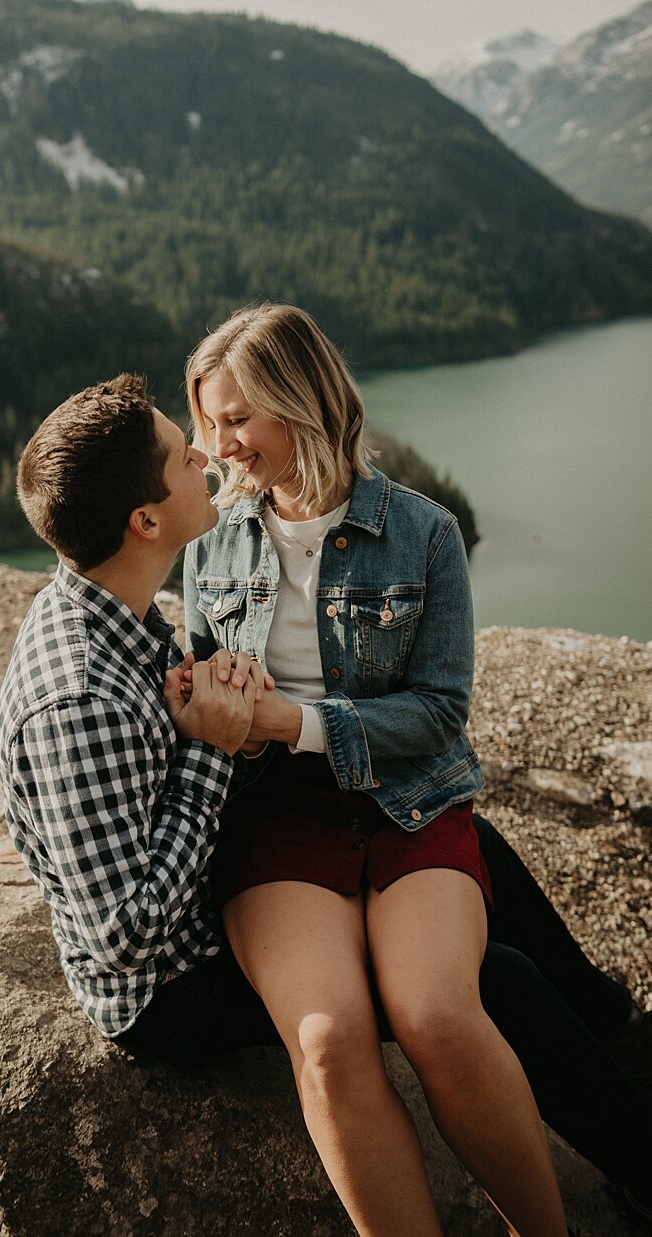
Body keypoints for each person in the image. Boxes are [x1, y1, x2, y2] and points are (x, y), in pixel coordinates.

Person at [0, 371, 652, 1232]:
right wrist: (211, 749)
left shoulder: (118, 607)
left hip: (201, 894)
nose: (205, 453)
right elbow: (126, 935)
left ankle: (620, 1032)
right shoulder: (77, 699)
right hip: (173, 982)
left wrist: (228, 706)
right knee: (494, 985)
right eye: (182, 450)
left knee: (458, 842)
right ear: (144, 521)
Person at [183, 303, 651, 1233]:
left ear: (301, 403)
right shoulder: (209, 547)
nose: (219, 446)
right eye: (207, 422)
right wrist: (214, 713)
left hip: (409, 802)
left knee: (439, 1016)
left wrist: (294, 718)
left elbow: (440, 712)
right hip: (277, 817)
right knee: (327, 1044)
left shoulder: (424, 533)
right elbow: (206, 697)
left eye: (237, 418)